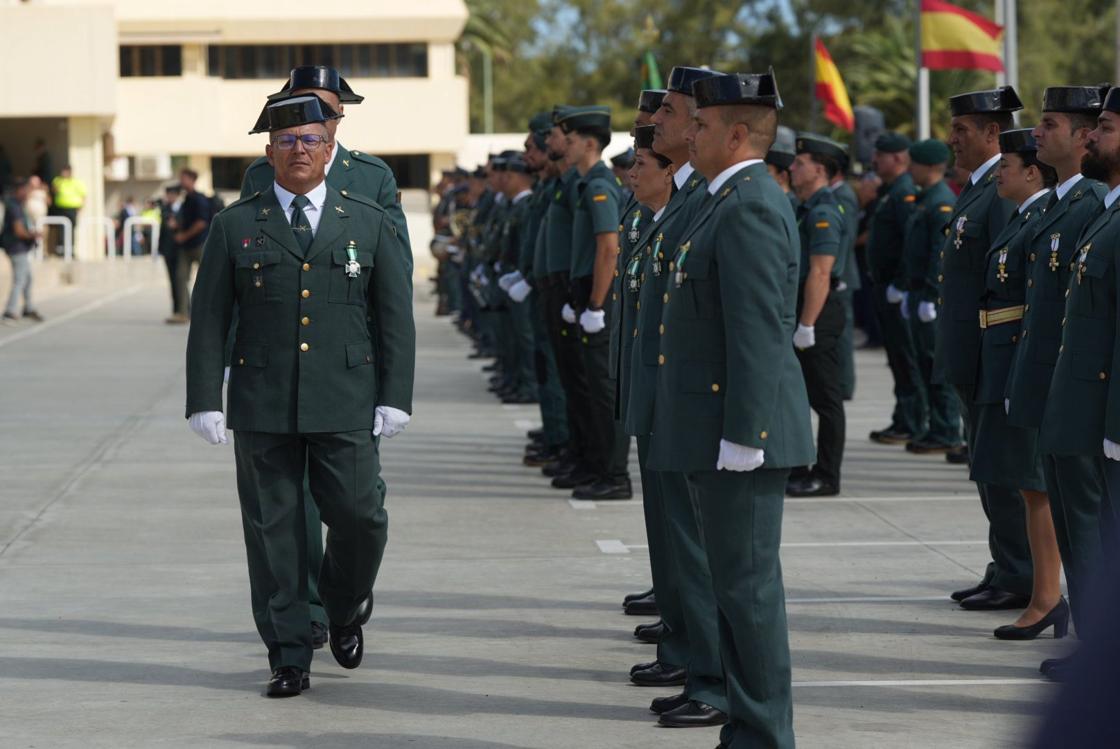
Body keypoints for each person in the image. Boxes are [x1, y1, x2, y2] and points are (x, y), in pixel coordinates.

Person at [184, 94, 415, 697]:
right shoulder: (236, 223)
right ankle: (289, 654)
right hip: (263, 400)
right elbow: (209, 317)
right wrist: (206, 396)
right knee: (275, 533)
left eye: (311, 139)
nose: (299, 150)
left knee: (362, 518)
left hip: (346, 395)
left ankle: (342, 605)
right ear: (269, 152)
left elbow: (394, 314)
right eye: (286, 141)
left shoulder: (366, 217)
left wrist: (396, 394)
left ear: (330, 146)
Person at [648, 69, 814, 748]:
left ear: (738, 134)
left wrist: (746, 432)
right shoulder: (724, 199)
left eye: (703, 124)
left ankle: (764, 733)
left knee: (746, 595)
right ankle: (749, 725)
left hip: (742, 433)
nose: (689, 131)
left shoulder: (747, 203)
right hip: (718, 427)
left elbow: (756, 329)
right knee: (733, 590)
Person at [625, 69, 729, 727]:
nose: (654, 123)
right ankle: (691, 656)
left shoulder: (711, 205)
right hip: (664, 399)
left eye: (666, 114)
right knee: (675, 541)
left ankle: (713, 676)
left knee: (698, 547)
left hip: (695, 405)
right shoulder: (672, 209)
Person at [1006, 86, 1108, 664]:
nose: (1037, 134)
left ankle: (1098, 647)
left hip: (1081, 394)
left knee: (1089, 523)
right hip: (1052, 386)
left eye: (1049, 125)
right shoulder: (1056, 204)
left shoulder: (1093, 202)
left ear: (1081, 135)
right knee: (1072, 522)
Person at [1036, 85, 1120, 681]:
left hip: (1105, 415)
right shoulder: (1110, 213)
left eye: (1107, 127)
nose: (1092, 135)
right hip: (1081, 405)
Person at [939, 86, 1034, 611]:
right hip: (969, 353)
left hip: (990, 353)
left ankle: (1020, 573)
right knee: (987, 467)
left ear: (993, 133)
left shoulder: (1002, 191)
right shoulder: (977, 189)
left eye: (963, 131)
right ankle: (1003, 564)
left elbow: (1007, 282)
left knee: (1002, 470)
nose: (953, 140)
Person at [972, 128, 1066, 639]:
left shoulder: (1045, 218)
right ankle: (1043, 596)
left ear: (1032, 172)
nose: (999, 172)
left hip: (1025, 361)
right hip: (1006, 357)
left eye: (1006, 164)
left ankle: (1047, 597)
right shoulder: (1027, 216)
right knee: (1028, 487)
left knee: (1037, 487)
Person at [242, 66, 412, 268]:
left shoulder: (374, 177)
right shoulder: (260, 174)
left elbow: (398, 263)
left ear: (340, 112)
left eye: (323, 108)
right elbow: (242, 250)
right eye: (301, 107)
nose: (312, 116)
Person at [560, 106, 631, 500]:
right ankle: (597, 464)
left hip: (598, 296)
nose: (564, 147)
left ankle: (615, 474)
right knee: (588, 387)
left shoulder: (601, 184)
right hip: (586, 292)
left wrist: (597, 306)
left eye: (570, 141)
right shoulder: (586, 183)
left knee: (603, 392)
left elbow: (609, 248)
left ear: (589, 144)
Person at [787, 134, 848, 498]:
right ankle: (800, 467)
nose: (793, 168)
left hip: (818, 312)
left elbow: (821, 273)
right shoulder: (804, 207)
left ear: (820, 170)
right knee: (800, 396)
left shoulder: (824, 211)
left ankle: (826, 475)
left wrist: (807, 324)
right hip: (804, 307)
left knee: (825, 399)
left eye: (800, 163)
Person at [901, 139, 963, 453]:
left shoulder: (940, 201)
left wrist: (929, 294)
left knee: (935, 364)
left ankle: (947, 429)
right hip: (915, 292)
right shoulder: (926, 199)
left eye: (914, 163)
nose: (909, 169)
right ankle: (936, 426)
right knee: (923, 363)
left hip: (928, 296)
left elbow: (940, 253)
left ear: (929, 167)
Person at [166, 168, 212, 324]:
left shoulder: (199, 199)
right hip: (186, 246)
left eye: (184, 178)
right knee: (180, 278)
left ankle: (210, 313)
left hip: (199, 244)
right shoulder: (186, 199)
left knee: (208, 280)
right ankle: (183, 313)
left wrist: (183, 235)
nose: (181, 181)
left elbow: (201, 223)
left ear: (192, 179)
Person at [2, 178, 44, 322]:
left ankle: (28, 307)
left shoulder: (19, 205)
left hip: (20, 247)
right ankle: (10, 311)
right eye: (26, 190)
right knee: (20, 278)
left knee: (27, 278)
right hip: (16, 247)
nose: (28, 193)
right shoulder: (14, 206)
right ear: (19, 190)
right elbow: (19, 230)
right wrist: (33, 235)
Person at [50, 165, 85, 257]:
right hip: (61, 208)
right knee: (61, 228)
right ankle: (61, 250)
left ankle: (71, 250)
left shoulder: (76, 182)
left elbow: (83, 195)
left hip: (72, 209)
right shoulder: (58, 180)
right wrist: (61, 182)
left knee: (71, 229)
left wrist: (81, 207)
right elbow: (54, 190)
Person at [159, 185, 183, 316]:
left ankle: (185, 307)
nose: (169, 197)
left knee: (181, 279)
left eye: (171, 194)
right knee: (173, 280)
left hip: (181, 249)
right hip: (168, 250)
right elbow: (163, 231)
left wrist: (177, 225)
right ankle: (176, 308)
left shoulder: (184, 208)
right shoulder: (165, 209)